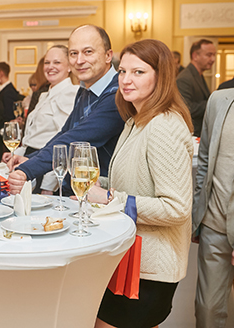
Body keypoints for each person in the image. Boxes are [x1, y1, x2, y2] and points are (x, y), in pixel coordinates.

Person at [84, 39, 193, 328]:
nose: (126, 80)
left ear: (161, 76)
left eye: (138, 72)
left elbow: (176, 208)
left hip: (151, 269)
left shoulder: (164, 126)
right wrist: (94, 184)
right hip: (132, 261)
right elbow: (133, 182)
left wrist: (108, 197)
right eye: (122, 72)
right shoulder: (137, 120)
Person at [7, 25, 124, 195]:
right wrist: (30, 158)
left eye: (88, 52)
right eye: (73, 53)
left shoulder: (117, 94)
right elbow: (65, 132)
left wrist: (27, 169)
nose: (79, 60)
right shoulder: (86, 89)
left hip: (101, 195)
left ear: (108, 55)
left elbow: (75, 140)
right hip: (77, 190)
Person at [5, 46, 78, 194]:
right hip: (30, 161)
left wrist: (49, 185)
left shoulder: (71, 94)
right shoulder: (44, 95)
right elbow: (33, 135)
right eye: (47, 62)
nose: (50, 67)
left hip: (47, 168)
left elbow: (62, 144)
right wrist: (16, 155)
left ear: (69, 66)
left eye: (57, 62)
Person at [192, 88, 234, 328]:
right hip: (214, 226)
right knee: (207, 311)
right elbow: (205, 159)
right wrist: (199, 212)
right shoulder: (219, 100)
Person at [176, 39, 216, 137]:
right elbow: (186, 108)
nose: (213, 59)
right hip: (191, 135)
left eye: (214, 55)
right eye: (209, 55)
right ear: (195, 56)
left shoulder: (198, 75)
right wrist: (213, 103)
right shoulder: (184, 78)